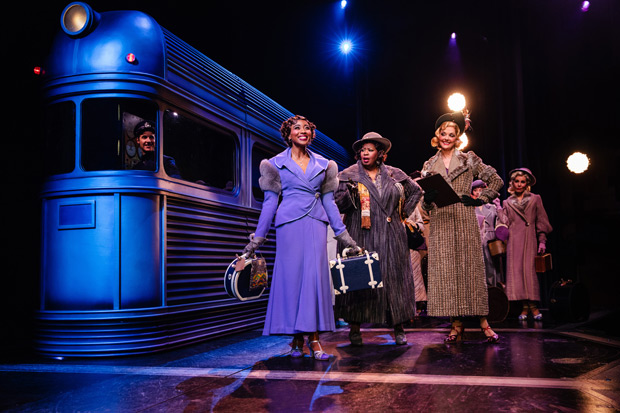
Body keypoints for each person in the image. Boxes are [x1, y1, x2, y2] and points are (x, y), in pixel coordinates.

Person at [241, 115, 359, 361]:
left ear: (311, 135)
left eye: (307, 128)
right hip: (289, 226)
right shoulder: (274, 164)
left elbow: (329, 202)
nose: (303, 131)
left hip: (315, 223)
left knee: (314, 280)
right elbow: (270, 203)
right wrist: (257, 239)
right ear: (288, 134)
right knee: (292, 281)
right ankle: (296, 337)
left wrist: (344, 236)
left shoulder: (325, 165)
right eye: (297, 128)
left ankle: (314, 339)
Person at [420, 111, 503, 343]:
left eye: (451, 134)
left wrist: (480, 199)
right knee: (447, 275)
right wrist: (427, 199)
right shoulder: (429, 164)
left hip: (464, 220)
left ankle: (484, 323)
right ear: (437, 135)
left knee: (471, 273)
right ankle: (455, 324)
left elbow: (496, 180)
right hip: (441, 223)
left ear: (457, 137)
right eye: (443, 134)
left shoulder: (469, 159)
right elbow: (424, 205)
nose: (447, 138)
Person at [334, 132, 422, 346]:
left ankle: (399, 327)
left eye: (370, 150)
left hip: (392, 234)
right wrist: (350, 196)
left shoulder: (394, 174)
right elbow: (337, 203)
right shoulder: (348, 174)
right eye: (362, 150)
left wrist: (402, 213)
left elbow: (416, 191)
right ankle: (355, 327)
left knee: (395, 281)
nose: (365, 153)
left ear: (380, 153)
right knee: (359, 280)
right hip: (361, 233)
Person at [496, 168, 552, 321]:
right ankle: (524, 307)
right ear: (512, 183)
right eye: (517, 181)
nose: (519, 184)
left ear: (527, 184)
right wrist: (499, 208)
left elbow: (542, 220)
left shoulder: (535, 199)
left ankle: (533, 306)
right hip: (513, 240)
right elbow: (504, 222)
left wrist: (542, 241)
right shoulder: (507, 202)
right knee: (516, 273)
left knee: (529, 273)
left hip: (529, 239)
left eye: (523, 181)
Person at [471, 180, 505, 287]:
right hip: (477, 238)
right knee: (479, 266)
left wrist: (499, 206)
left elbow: (503, 221)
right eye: (475, 190)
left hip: (491, 239)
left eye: (481, 190)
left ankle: (495, 290)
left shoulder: (492, 207)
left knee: (493, 266)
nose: (478, 193)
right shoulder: (470, 208)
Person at [406, 171, 428, 316]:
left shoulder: (414, 206)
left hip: (412, 244)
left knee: (416, 275)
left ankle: (418, 304)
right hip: (398, 244)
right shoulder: (395, 205)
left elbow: (421, 224)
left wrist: (413, 224)